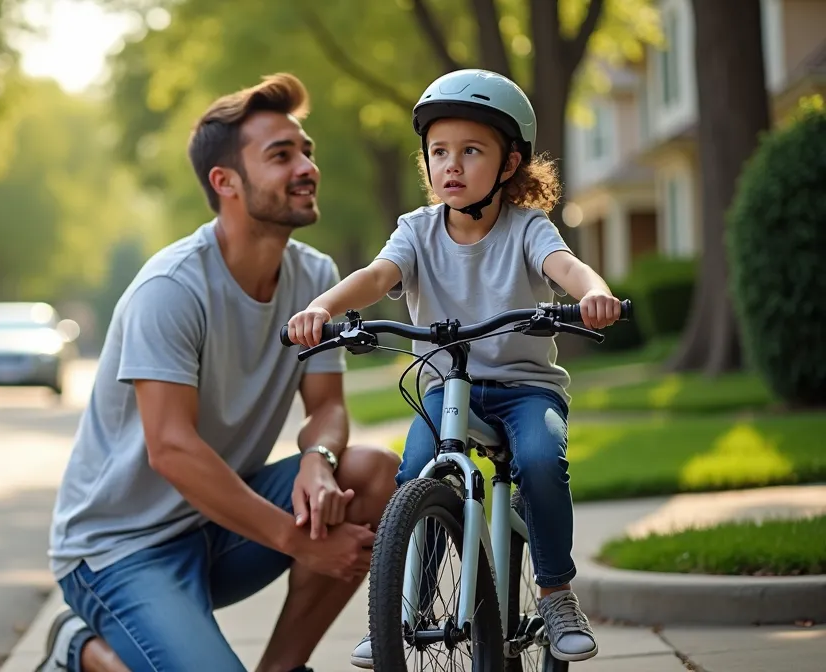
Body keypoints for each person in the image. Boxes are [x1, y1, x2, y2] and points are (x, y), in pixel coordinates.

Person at [34, 73, 402, 672]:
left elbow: (328, 408)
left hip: (221, 528)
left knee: (371, 473)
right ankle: (82, 653)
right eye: (280, 156)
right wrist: (297, 539)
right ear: (225, 182)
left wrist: (319, 460)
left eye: (305, 150)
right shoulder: (172, 288)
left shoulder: (314, 278)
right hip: (121, 550)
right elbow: (172, 450)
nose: (306, 166)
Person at [287, 68, 621, 667]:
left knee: (543, 462)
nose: (453, 166)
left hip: (523, 389)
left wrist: (594, 292)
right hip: (445, 390)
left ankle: (555, 591)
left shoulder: (526, 228)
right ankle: (402, 609)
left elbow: (566, 268)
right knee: (416, 473)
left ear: (509, 163)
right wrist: (322, 307)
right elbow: (375, 278)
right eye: (440, 152)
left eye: (471, 151)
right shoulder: (416, 232)